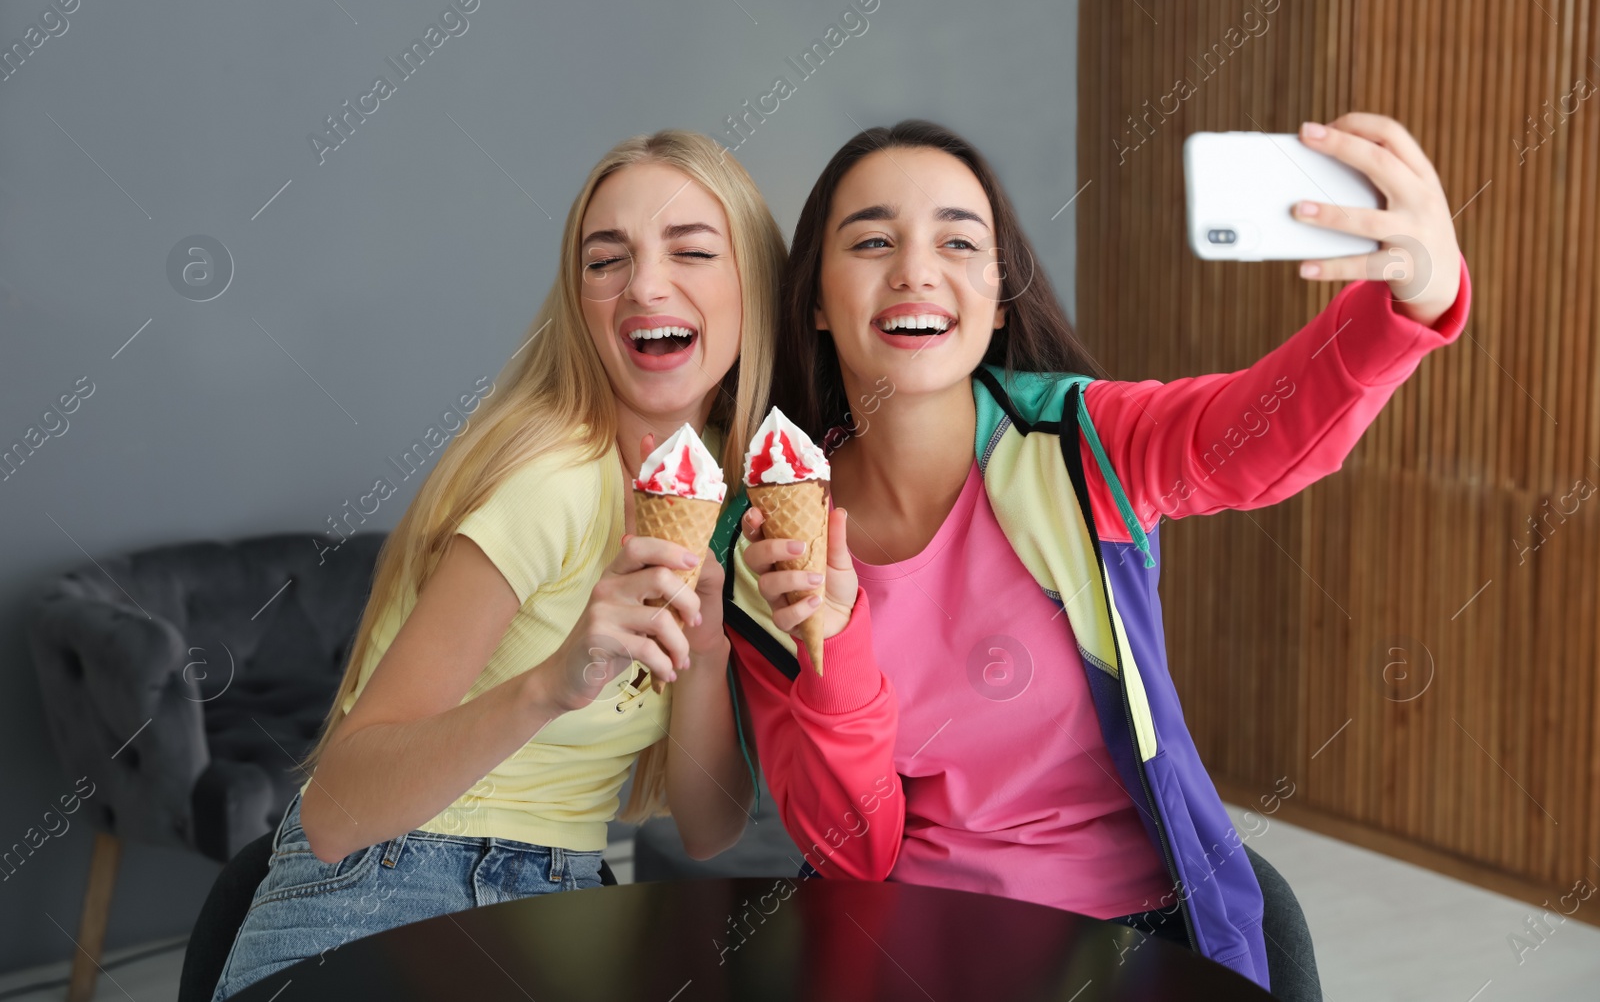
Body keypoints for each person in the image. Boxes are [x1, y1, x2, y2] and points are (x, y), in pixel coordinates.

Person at [724, 115, 1469, 999]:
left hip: (1137, 936)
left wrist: (1411, 298)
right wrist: (831, 639)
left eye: (959, 240)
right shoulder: (768, 542)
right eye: (874, 239)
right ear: (814, 297)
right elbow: (850, 849)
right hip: (922, 948)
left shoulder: (1081, 441)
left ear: (998, 293)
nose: (916, 269)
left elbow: (1257, 433)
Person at [212, 128, 783, 1000]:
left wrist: (707, 658)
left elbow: (709, 831)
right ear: (579, 298)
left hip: (567, 896)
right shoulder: (551, 483)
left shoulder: (727, 503)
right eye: (607, 260)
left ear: (756, 287)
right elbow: (336, 811)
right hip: (387, 880)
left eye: (692, 251)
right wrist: (553, 681)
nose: (644, 285)